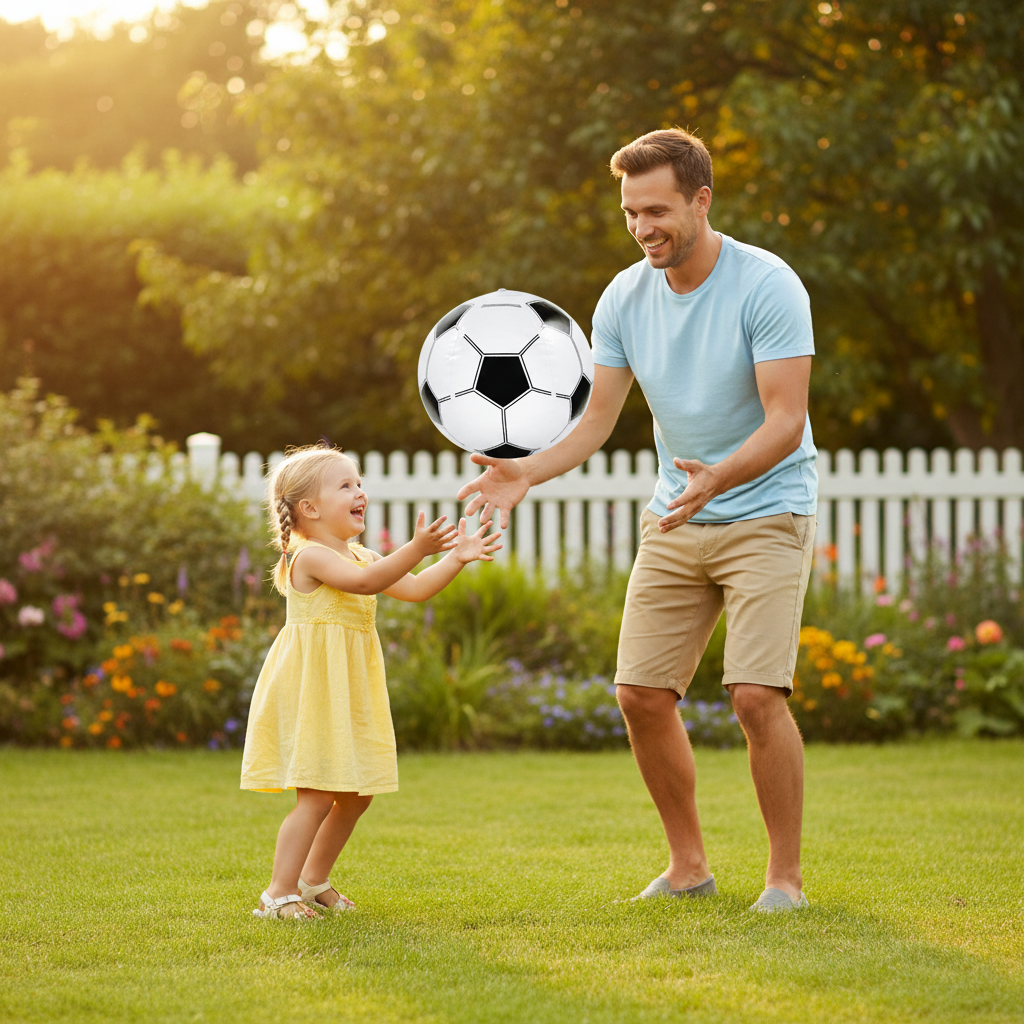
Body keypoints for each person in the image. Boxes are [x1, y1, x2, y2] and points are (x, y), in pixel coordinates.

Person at [458, 129, 817, 913]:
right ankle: (688, 867)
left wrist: (721, 473)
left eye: (656, 209)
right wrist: (523, 472)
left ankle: (783, 880)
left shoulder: (768, 285)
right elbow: (595, 425)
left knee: (757, 696)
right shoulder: (623, 297)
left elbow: (786, 420)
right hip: (676, 513)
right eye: (629, 213)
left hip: (766, 507)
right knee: (640, 694)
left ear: (701, 200)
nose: (643, 226)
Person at [241, 444, 501, 919]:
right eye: (346, 485)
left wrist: (456, 558)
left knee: (357, 794)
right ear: (310, 508)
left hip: (350, 689)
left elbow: (417, 588)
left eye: (359, 483)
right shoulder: (308, 558)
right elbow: (365, 584)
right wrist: (417, 547)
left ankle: (312, 880)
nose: (360, 492)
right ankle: (277, 894)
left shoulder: (362, 555)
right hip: (316, 690)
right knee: (317, 792)